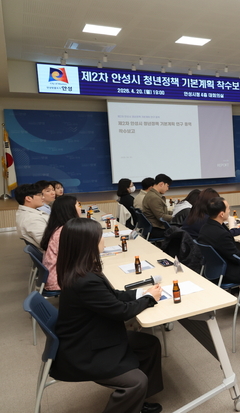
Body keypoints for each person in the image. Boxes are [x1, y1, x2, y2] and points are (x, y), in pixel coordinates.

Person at [51, 218, 163, 413]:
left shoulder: (80, 269)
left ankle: (137, 402)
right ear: (88, 244)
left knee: (149, 344)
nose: (103, 240)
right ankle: (135, 394)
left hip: (89, 335)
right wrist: (149, 299)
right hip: (84, 350)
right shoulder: (85, 280)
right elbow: (121, 312)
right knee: (136, 382)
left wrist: (141, 293)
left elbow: (112, 296)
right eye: (100, 237)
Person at [198, 197, 240, 284]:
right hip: (227, 272)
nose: (229, 210)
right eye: (228, 208)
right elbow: (236, 257)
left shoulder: (204, 228)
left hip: (212, 269)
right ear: (221, 214)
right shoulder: (221, 234)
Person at [39, 195, 81, 291]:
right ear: (69, 210)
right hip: (59, 280)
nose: (80, 208)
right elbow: (77, 257)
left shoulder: (59, 227)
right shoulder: (64, 232)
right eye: (78, 205)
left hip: (57, 274)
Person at [15, 183, 48, 248]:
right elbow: (46, 242)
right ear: (28, 198)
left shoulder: (28, 213)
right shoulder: (31, 219)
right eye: (40, 195)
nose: (43, 198)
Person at [142, 174, 173, 239]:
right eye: (167, 186)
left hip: (154, 227)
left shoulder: (152, 194)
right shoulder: (154, 197)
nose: (167, 189)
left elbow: (163, 212)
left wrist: (175, 213)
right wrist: (176, 217)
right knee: (183, 231)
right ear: (161, 184)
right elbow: (161, 217)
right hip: (157, 229)